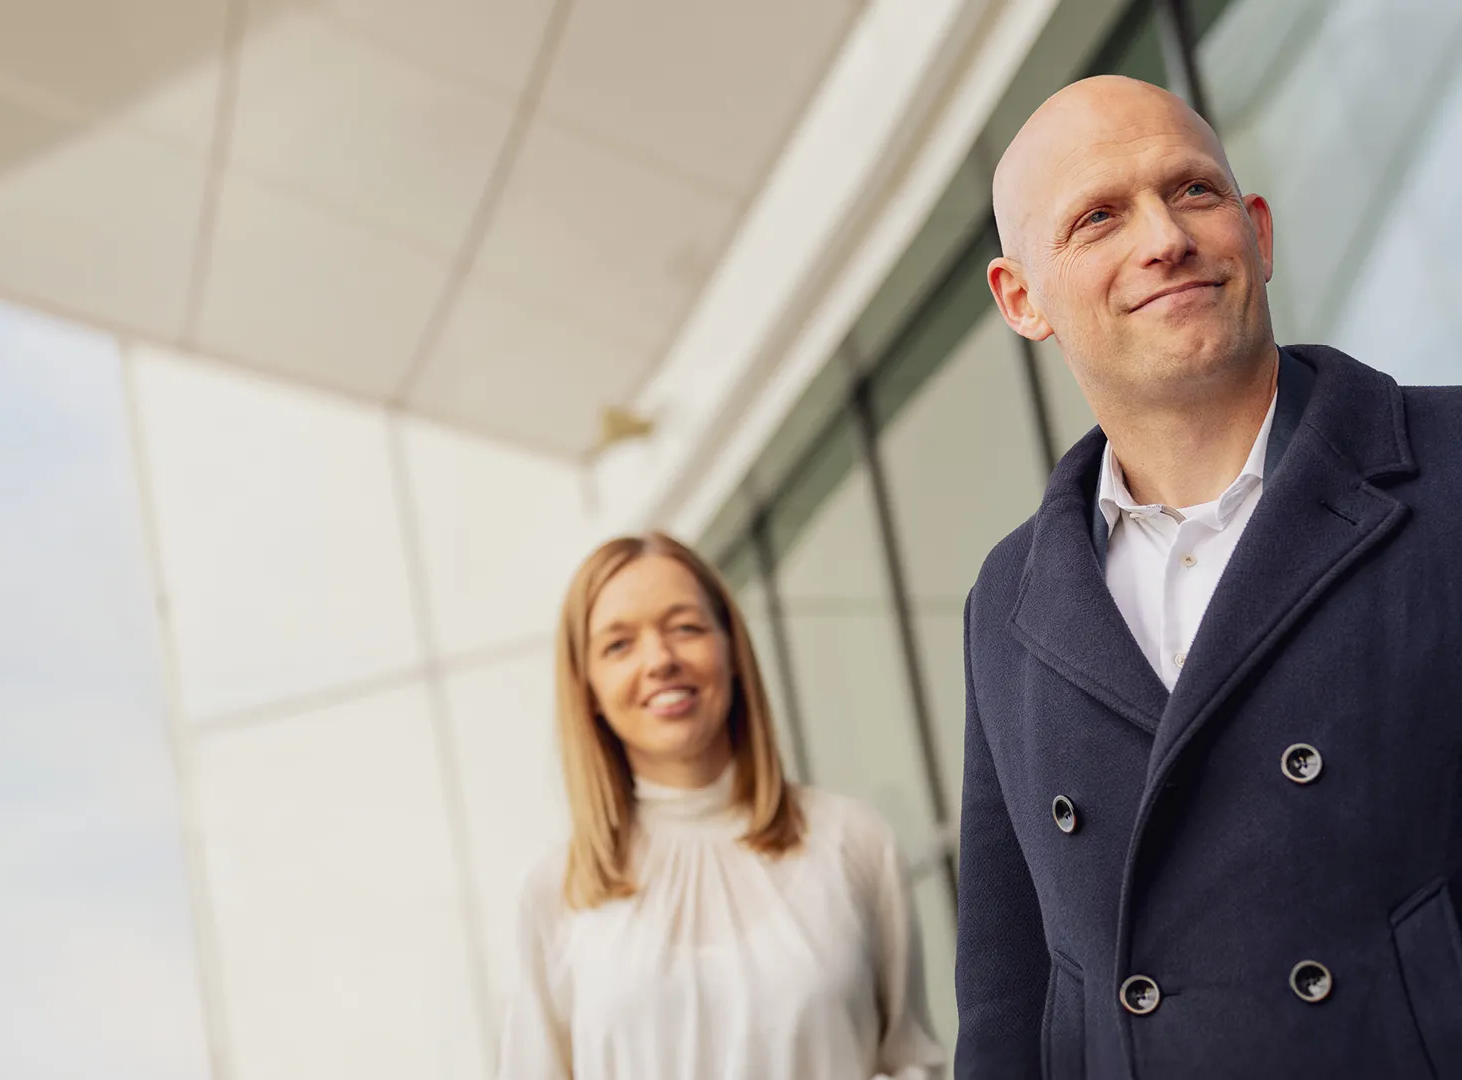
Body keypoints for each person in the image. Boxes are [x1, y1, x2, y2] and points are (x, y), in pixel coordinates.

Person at [957, 73, 1462, 1078]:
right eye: (1098, 217)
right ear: (1022, 299)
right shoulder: (1007, 599)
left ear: (1257, 232)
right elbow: (1008, 992)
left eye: (1192, 191)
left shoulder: (1450, 467)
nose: (1164, 239)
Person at [497, 531, 943, 1080]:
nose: (660, 660)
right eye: (619, 645)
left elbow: (912, 1061)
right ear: (587, 688)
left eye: (685, 627)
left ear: (731, 648)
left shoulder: (854, 841)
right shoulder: (555, 894)